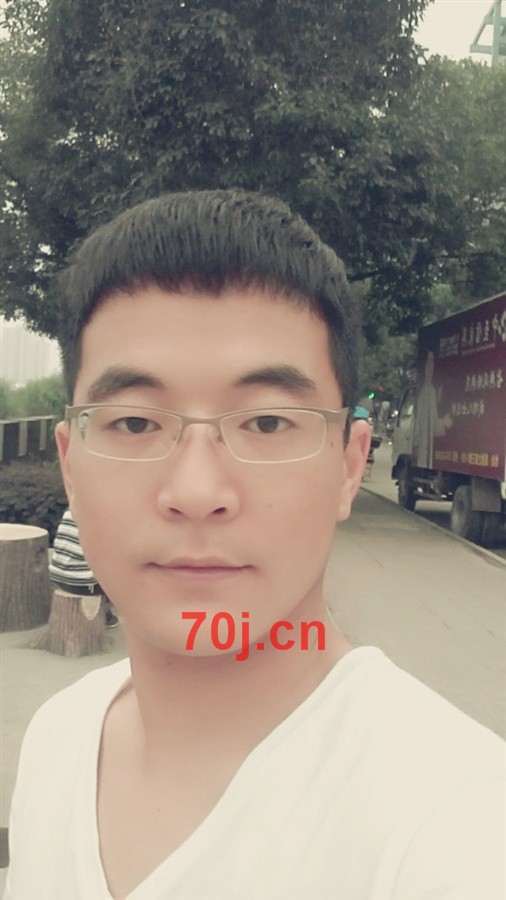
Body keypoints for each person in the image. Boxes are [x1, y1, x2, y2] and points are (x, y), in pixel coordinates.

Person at [5, 190, 504, 900]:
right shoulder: (58, 738)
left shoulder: (453, 828)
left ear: (350, 465)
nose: (196, 490)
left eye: (267, 423)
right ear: (70, 465)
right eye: (135, 423)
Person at [50, 508, 119, 628]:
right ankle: (104, 612)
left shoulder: (71, 511)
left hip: (57, 575)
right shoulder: (106, 519)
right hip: (82, 583)